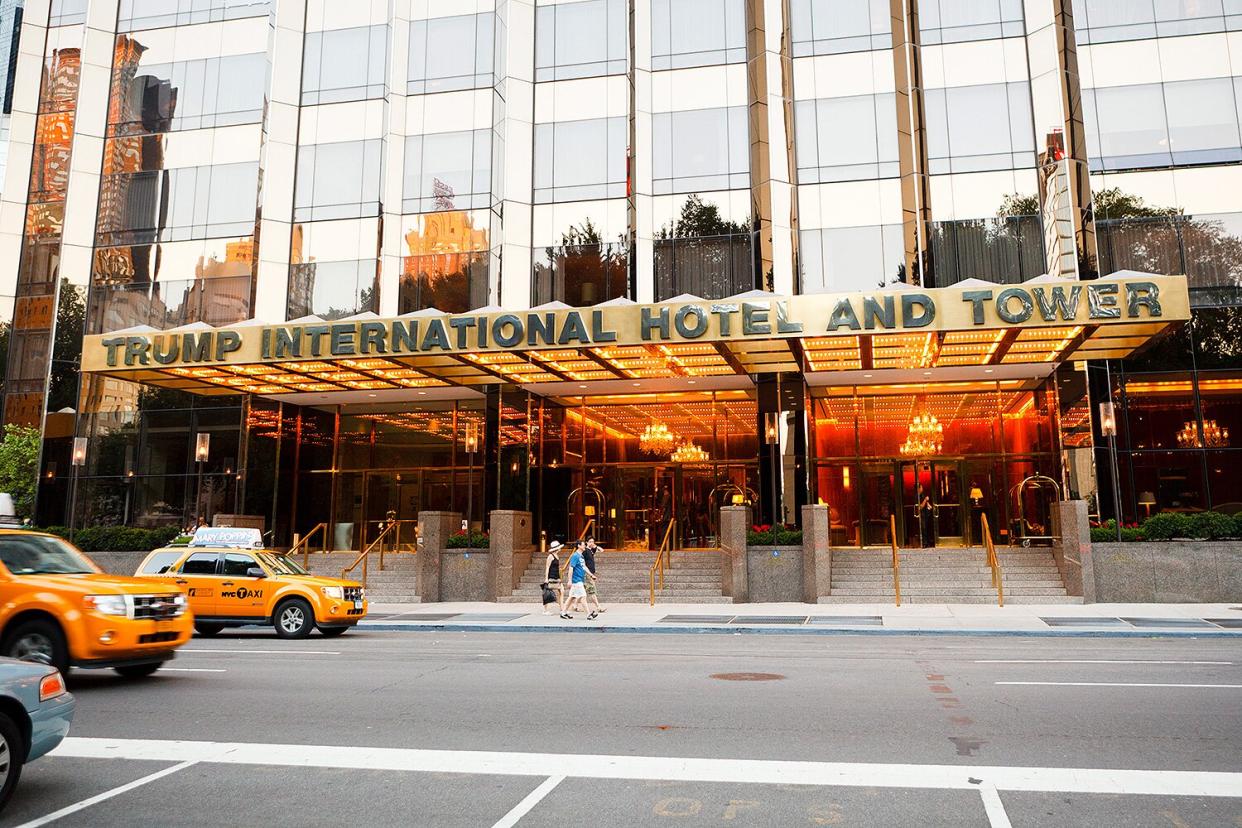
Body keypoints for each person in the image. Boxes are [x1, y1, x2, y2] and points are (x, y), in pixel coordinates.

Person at [563, 541, 594, 619]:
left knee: (572, 597)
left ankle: (563, 612)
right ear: (579, 546)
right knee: (583, 596)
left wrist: (591, 575)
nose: (585, 546)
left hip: (580, 579)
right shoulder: (575, 556)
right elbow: (571, 568)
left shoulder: (581, 556)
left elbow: (584, 567)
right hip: (576, 580)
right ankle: (588, 614)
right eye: (584, 545)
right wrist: (569, 580)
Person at [583, 536, 605, 619]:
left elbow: (602, 550)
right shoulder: (584, 551)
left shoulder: (590, 550)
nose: (591, 543)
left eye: (593, 541)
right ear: (586, 542)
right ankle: (598, 606)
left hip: (591, 572)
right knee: (592, 590)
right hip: (587, 573)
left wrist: (594, 546)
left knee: (581, 591)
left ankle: (574, 605)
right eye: (590, 541)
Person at [542, 540, 564, 616]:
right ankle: (545, 610)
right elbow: (547, 567)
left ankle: (562, 609)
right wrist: (546, 579)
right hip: (551, 577)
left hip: (557, 577)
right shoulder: (550, 556)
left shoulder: (557, 556)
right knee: (547, 593)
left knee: (562, 591)